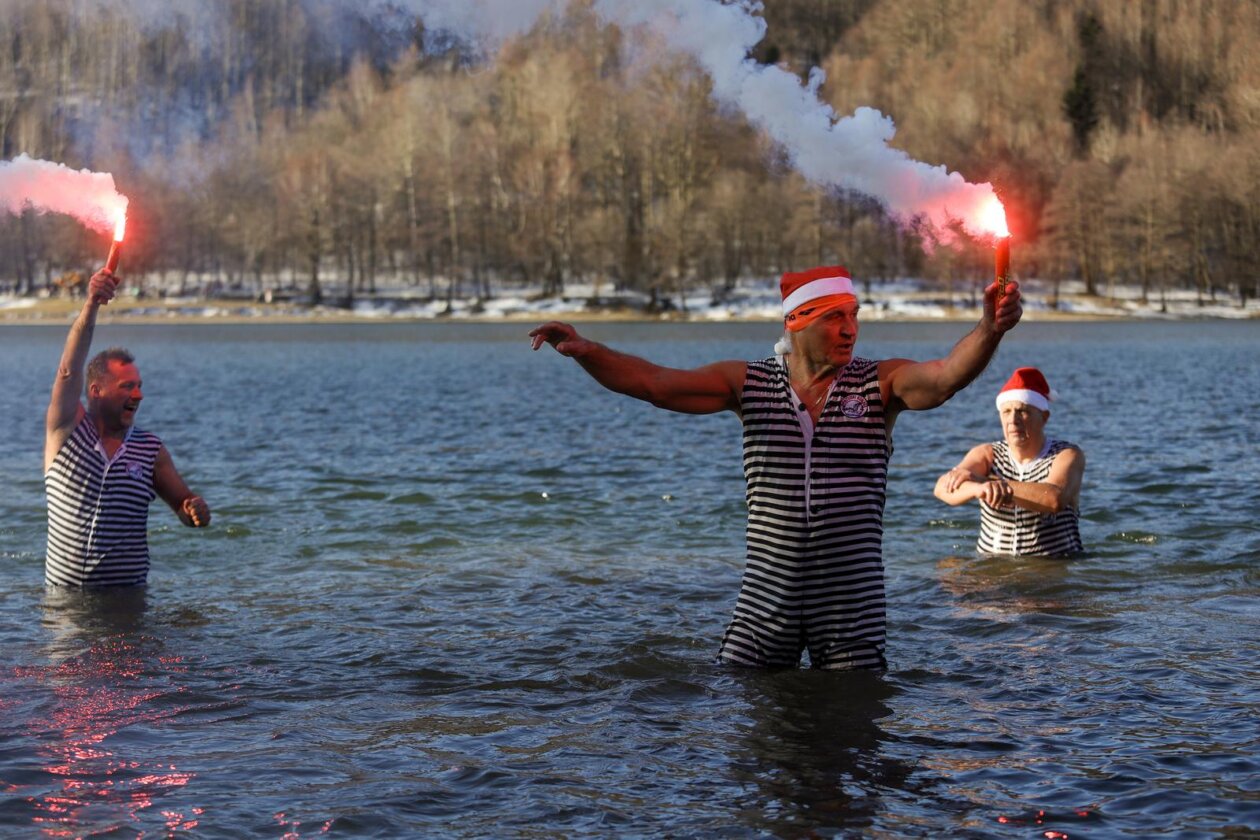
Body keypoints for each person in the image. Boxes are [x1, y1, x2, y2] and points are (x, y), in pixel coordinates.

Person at [529, 266, 1022, 670]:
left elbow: (944, 378)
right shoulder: (747, 384)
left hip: (850, 604)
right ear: (796, 322)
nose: (849, 328)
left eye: (853, 315)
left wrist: (989, 329)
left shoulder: (881, 383)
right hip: (767, 599)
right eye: (833, 318)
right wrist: (590, 353)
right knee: (756, 742)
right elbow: (656, 384)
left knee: (852, 736)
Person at [44, 268, 210, 586]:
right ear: (96, 391)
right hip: (65, 610)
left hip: (127, 603)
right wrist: (92, 303)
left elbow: (185, 509)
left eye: (139, 386)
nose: (138, 395)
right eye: (126, 387)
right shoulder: (64, 431)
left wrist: (197, 512)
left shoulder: (151, 450)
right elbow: (69, 370)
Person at [933, 366, 1084, 557]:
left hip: (1052, 566)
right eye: (1006, 412)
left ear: (1044, 417)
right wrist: (978, 489)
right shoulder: (987, 454)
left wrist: (987, 483)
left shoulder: (1067, 454)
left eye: (1022, 411)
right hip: (993, 569)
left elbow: (1053, 498)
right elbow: (942, 488)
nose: (1013, 420)